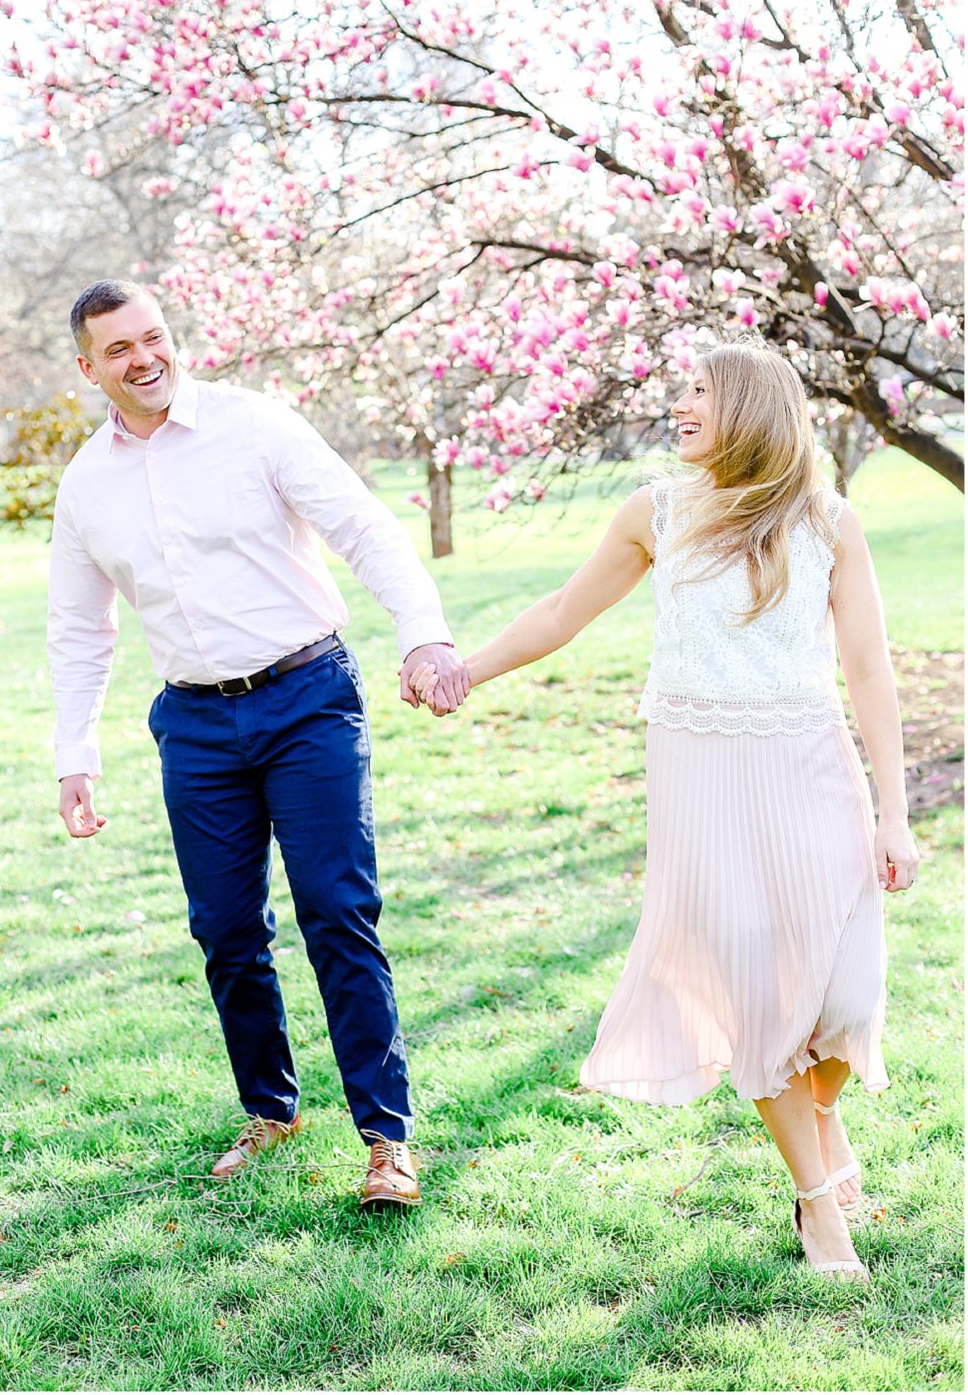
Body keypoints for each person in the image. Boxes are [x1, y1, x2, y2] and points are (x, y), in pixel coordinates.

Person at [411, 339, 918, 1279]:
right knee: (761, 994)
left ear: (752, 410)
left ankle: (823, 1108)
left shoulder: (827, 521)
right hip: (702, 778)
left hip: (811, 767)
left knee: (846, 992)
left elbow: (869, 671)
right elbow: (562, 611)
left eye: (698, 392)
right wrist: (462, 671)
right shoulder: (654, 512)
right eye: (679, 390)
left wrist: (893, 814)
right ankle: (816, 1206)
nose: (677, 405)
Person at [48, 278, 469, 1209]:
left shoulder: (254, 426)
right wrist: (73, 752)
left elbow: (362, 528)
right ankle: (271, 1111)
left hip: (306, 697)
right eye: (117, 349)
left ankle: (386, 1139)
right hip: (193, 723)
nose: (143, 358)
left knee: (335, 911)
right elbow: (80, 627)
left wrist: (422, 632)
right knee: (226, 933)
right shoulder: (86, 485)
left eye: (152, 337)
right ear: (88, 368)